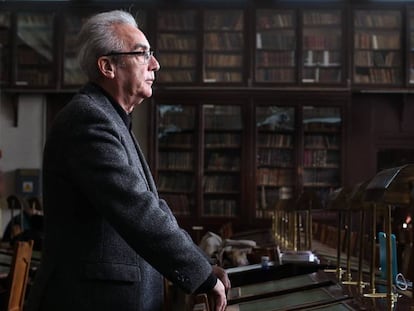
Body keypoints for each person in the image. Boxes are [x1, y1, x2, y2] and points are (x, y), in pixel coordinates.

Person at [26, 10, 229, 311]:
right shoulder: (89, 119)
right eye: (142, 54)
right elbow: (137, 208)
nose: (155, 64)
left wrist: (202, 265)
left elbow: (153, 205)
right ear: (107, 66)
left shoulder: (112, 118)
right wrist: (202, 276)